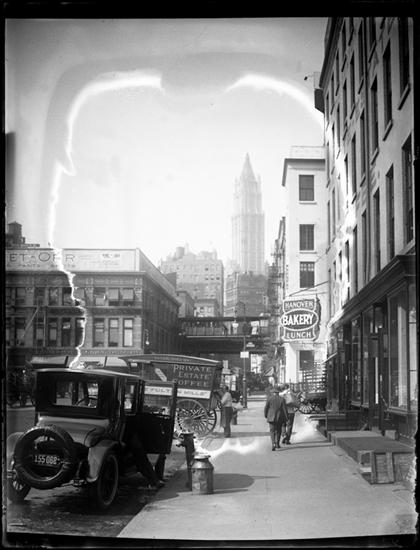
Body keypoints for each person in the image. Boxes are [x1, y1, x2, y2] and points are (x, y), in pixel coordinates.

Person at [264, 385, 288, 451]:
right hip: (279, 417)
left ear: (273, 392)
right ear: (278, 393)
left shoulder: (269, 399)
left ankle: (273, 443)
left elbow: (266, 408)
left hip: (271, 417)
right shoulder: (282, 399)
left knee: (272, 431)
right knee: (278, 430)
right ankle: (277, 443)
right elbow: (284, 409)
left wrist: (266, 415)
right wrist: (286, 417)